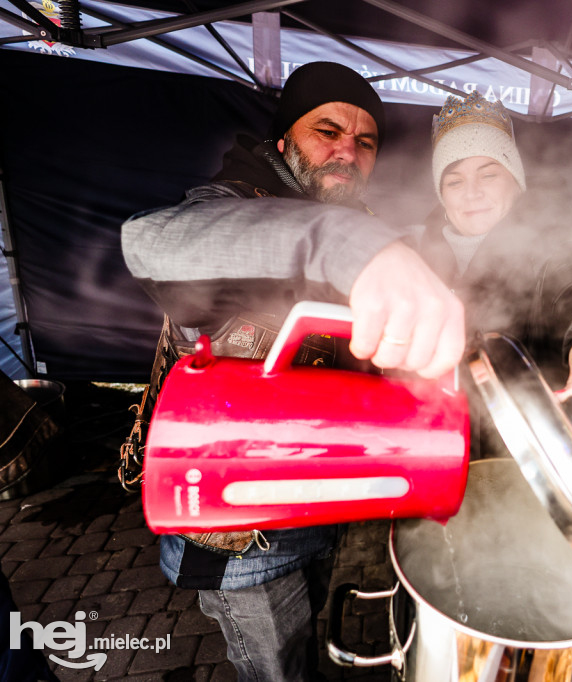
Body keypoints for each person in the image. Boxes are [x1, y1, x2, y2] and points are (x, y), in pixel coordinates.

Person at [120, 62, 467, 681]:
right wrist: (345, 246)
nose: (346, 152)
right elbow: (151, 243)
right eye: (325, 131)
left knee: (311, 646)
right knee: (277, 670)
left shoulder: (360, 220)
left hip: (316, 494)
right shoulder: (233, 198)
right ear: (282, 142)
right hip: (241, 527)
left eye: (364, 142)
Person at [416, 91, 572, 451]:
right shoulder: (414, 255)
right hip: (432, 449)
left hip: (519, 457)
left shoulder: (549, 244)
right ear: (441, 194)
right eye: (455, 180)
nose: (472, 193)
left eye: (489, 174)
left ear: (516, 181)